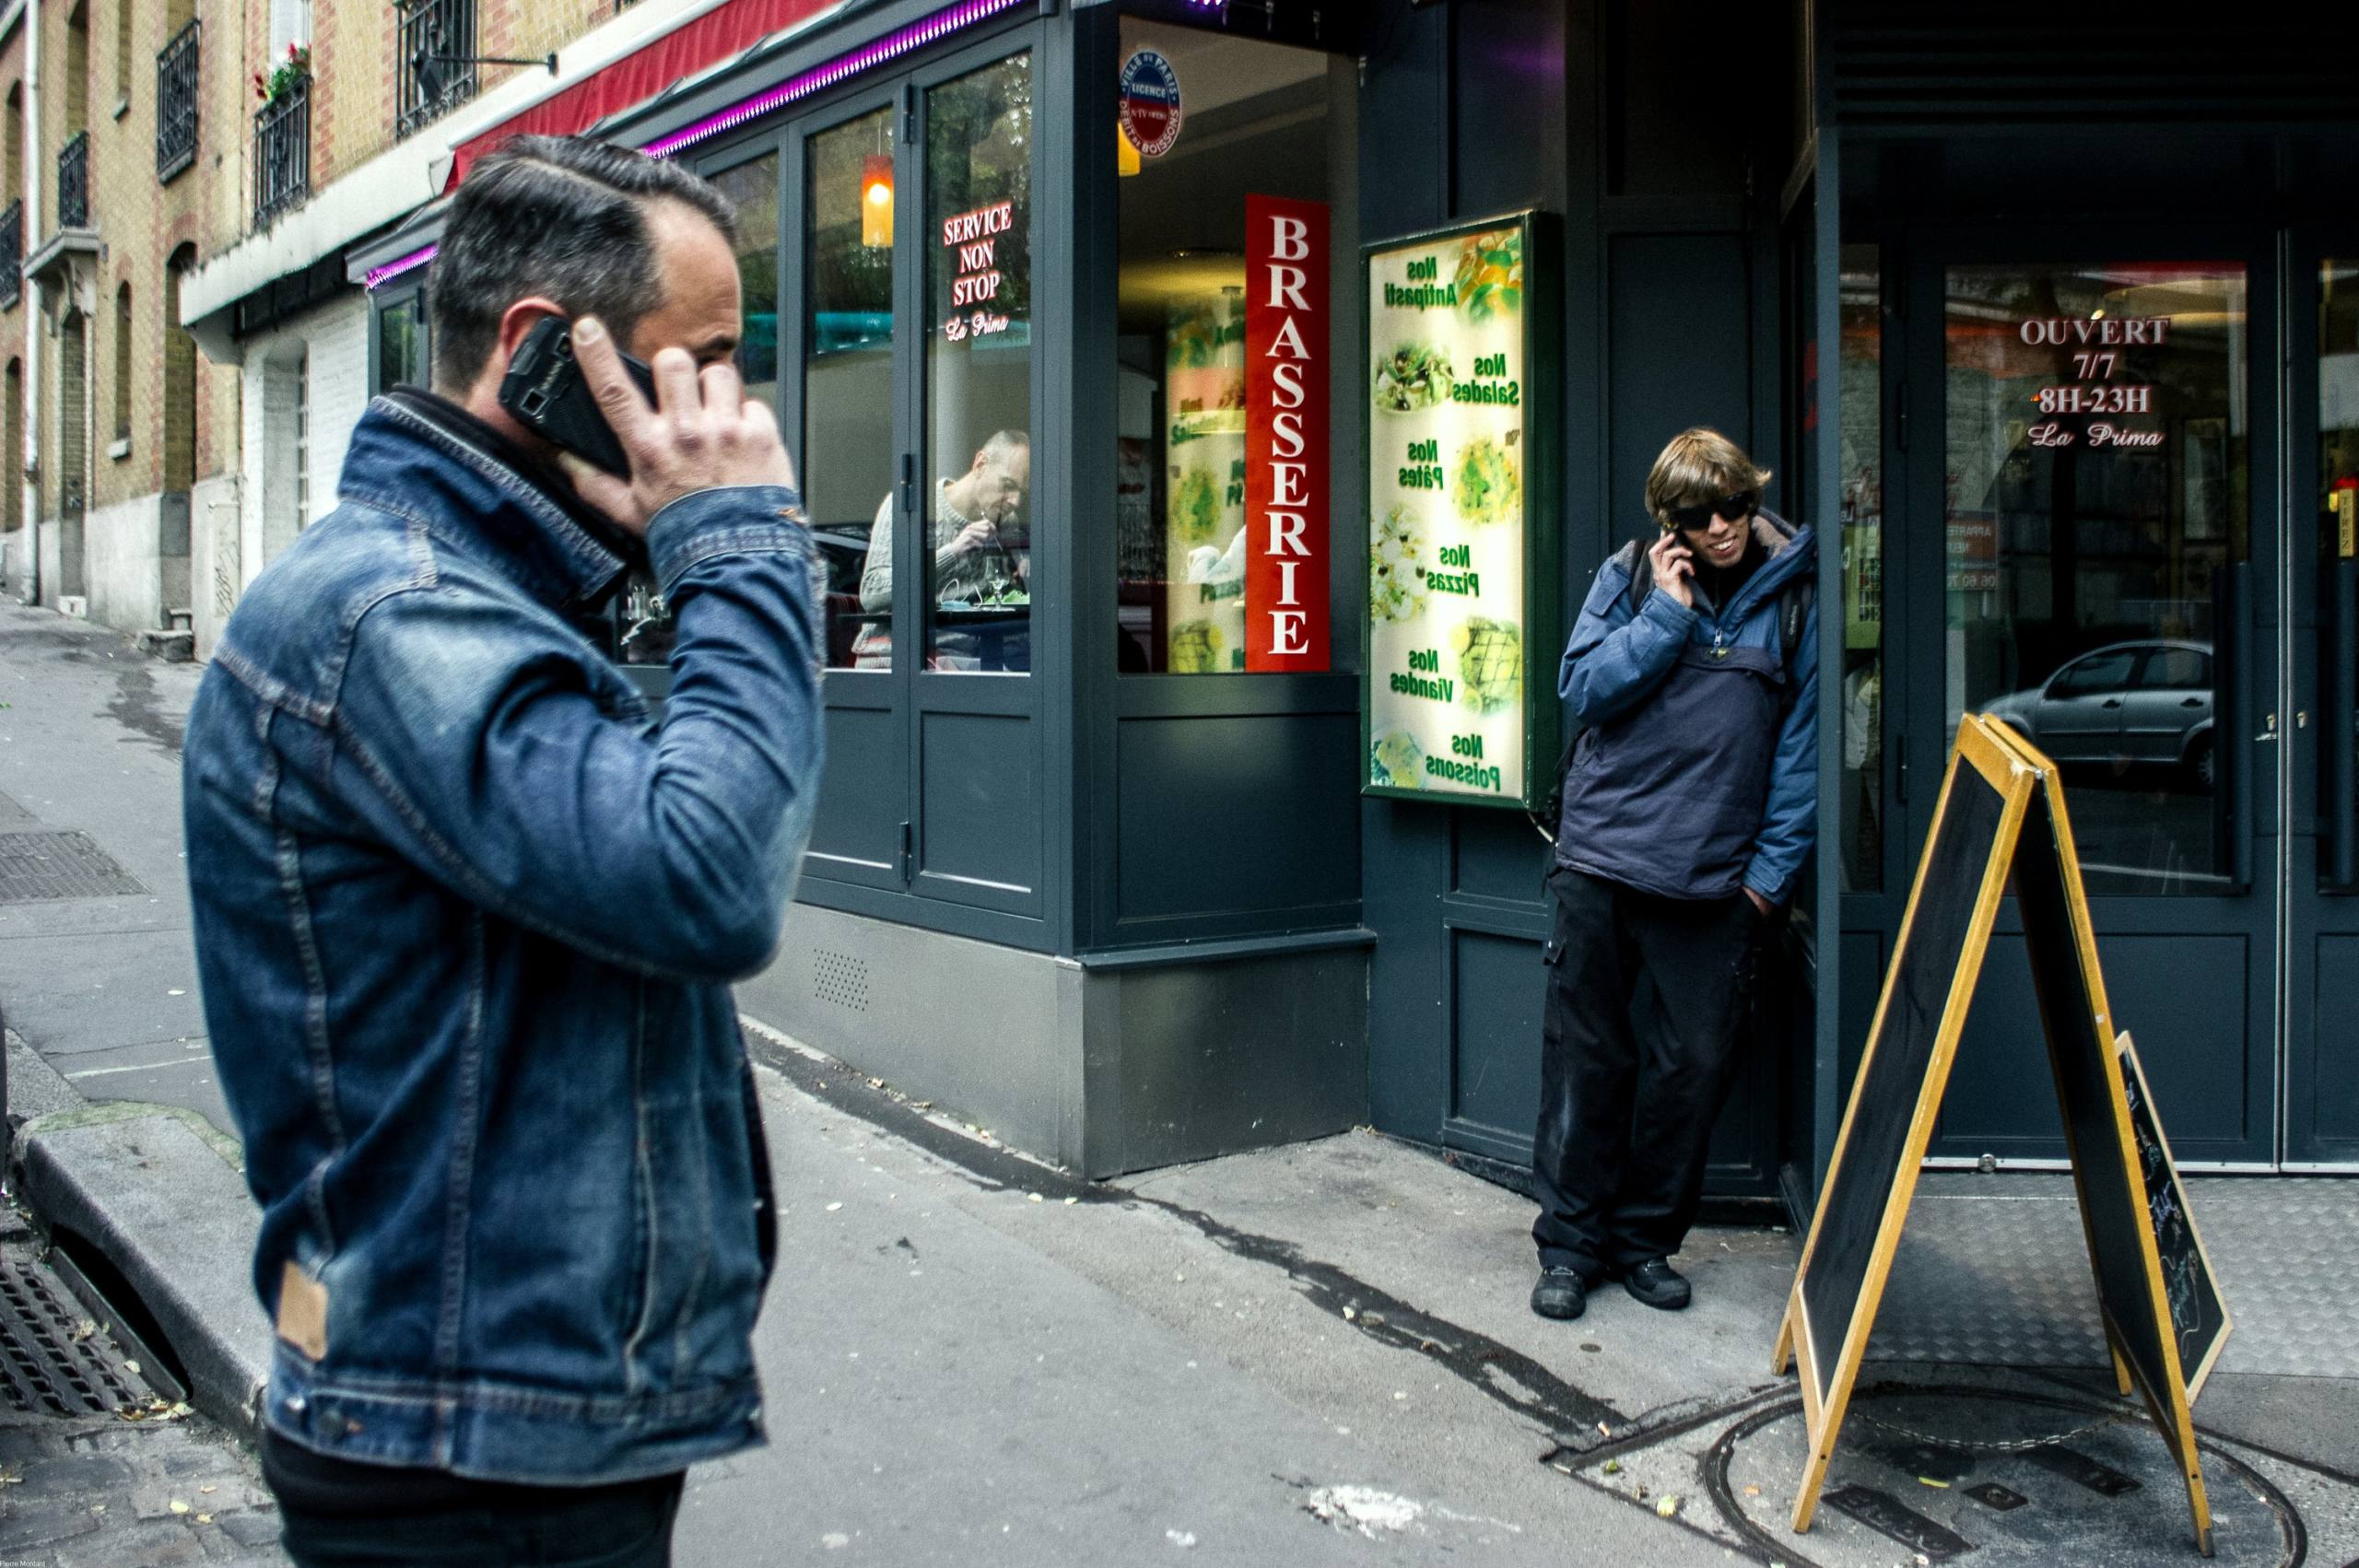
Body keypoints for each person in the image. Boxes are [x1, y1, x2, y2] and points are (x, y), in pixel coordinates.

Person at [182, 136, 823, 1565]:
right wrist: (740, 539)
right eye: (699, 363)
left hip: (508, 1421)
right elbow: (706, 871)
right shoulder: (392, 617)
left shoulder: (492, 599)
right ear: (541, 356)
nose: (729, 412)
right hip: (463, 1450)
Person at [1531, 427, 1816, 1322]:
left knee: (1688, 1069)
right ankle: (1571, 1246)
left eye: (1734, 505)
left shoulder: (1794, 597)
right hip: (1602, 861)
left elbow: (1800, 754)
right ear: (1669, 521)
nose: (1723, 526)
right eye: (1700, 515)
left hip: (1713, 881)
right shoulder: (1628, 579)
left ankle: (1643, 1241)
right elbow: (1582, 688)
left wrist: (1765, 882)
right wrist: (1665, 613)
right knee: (1588, 1063)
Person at [852, 430, 1031, 669]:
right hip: (900, 657)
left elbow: (1001, 597)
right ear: (980, 464)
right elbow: (872, 592)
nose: (1015, 500)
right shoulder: (914, 509)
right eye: (1008, 485)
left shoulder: (1006, 522)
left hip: (973, 656)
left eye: (1021, 491)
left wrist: (1024, 578)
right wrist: (953, 552)